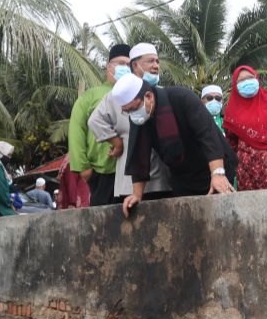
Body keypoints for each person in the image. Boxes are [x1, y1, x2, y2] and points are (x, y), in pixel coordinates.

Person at [113, 72, 236, 217]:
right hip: (183, 177)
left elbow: (207, 135)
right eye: (127, 111)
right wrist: (137, 195)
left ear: (148, 96)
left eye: (134, 109)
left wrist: (218, 174)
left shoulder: (182, 97)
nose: (133, 114)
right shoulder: (139, 118)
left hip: (214, 166)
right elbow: (139, 154)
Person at [88, 43, 172, 202]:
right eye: (150, 61)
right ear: (135, 65)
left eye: (157, 62)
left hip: (162, 178)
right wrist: (117, 142)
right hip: (130, 180)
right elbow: (95, 120)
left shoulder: (162, 93)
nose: (155, 66)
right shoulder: (118, 94)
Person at [68, 43, 132, 206]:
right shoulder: (90, 96)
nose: (125, 67)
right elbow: (76, 131)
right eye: (121, 63)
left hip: (130, 170)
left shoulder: (137, 94)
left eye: (129, 64)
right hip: (101, 171)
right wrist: (83, 167)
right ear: (109, 67)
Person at [223, 66, 267, 190]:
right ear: (235, 86)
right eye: (241, 81)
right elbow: (232, 143)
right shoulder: (231, 114)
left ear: (257, 78)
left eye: (250, 78)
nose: (247, 82)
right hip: (251, 178)